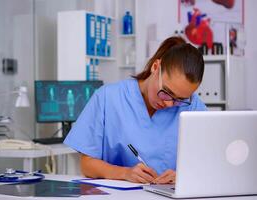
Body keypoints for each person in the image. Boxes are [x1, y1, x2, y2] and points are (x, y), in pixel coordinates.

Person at [64, 36, 206, 184]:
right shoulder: (108, 97)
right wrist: (125, 173)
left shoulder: (192, 105)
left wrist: (184, 175)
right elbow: (87, 165)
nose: (169, 104)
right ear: (155, 68)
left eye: (179, 99)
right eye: (166, 92)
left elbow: (211, 160)